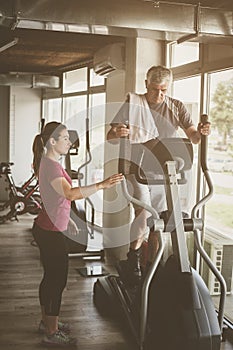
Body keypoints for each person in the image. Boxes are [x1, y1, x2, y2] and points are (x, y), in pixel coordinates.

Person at [107, 65, 210, 286]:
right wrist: (117, 132)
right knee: (144, 213)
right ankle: (132, 259)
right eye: (155, 89)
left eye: (164, 90)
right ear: (146, 84)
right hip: (137, 169)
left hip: (164, 172)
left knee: (159, 219)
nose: (159, 95)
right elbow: (111, 136)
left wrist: (201, 133)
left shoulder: (176, 106)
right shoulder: (133, 104)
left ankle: (150, 265)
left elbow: (193, 136)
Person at [32, 121, 123, 347]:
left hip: (49, 226)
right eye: (64, 138)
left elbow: (55, 198)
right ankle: (51, 333)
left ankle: (47, 322)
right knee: (57, 281)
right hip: (50, 232)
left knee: (50, 278)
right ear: (52, 141)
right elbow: (70, 194)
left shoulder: (49, 162)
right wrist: (101, 185)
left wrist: (69, 218)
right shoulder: (51, 166)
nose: (69, 142)